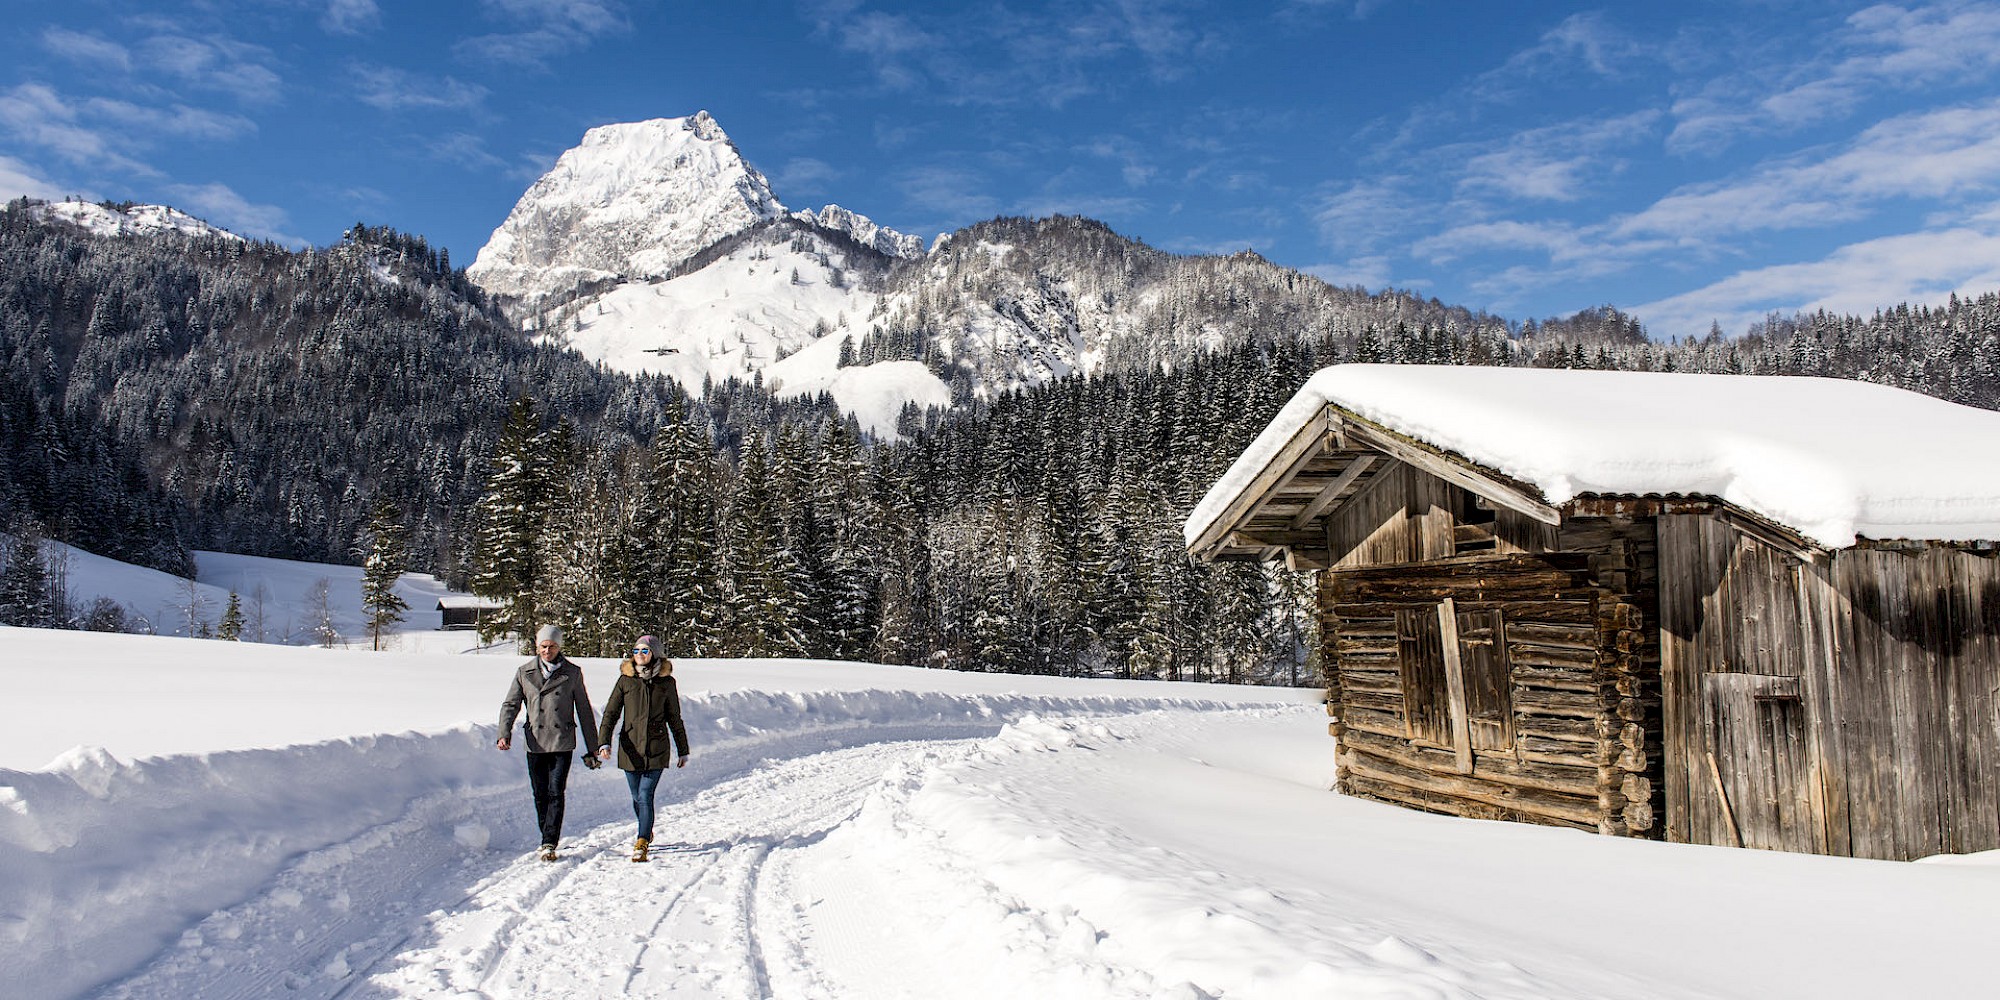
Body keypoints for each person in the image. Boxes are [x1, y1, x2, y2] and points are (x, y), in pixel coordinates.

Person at [497, 624, 599, 861]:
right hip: (535, 741)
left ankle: (549, 841)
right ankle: (547, 834)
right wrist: (505, 732)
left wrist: (593, 745)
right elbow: (510, 704)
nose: (547, 650)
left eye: (552, 646)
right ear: (537, 646)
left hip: (562, 741)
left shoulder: (572, 673)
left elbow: (583, 709)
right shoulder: (524, 672)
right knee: (539, 793)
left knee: (556, 792)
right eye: (543, 646)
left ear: (559, 647)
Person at [596, 634, 689, 862]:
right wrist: (603, 742)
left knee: (646, 795)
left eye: (645, 651)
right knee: (636, 797)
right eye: (636, 651)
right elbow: (611, 713)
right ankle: (646, 828)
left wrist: (683, 748)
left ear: (655, 654)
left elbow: (674, 718)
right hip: (630, 749)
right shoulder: (625, 680)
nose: (639, 655)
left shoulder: (666, 683)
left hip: (656, 748)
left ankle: (642, 840)